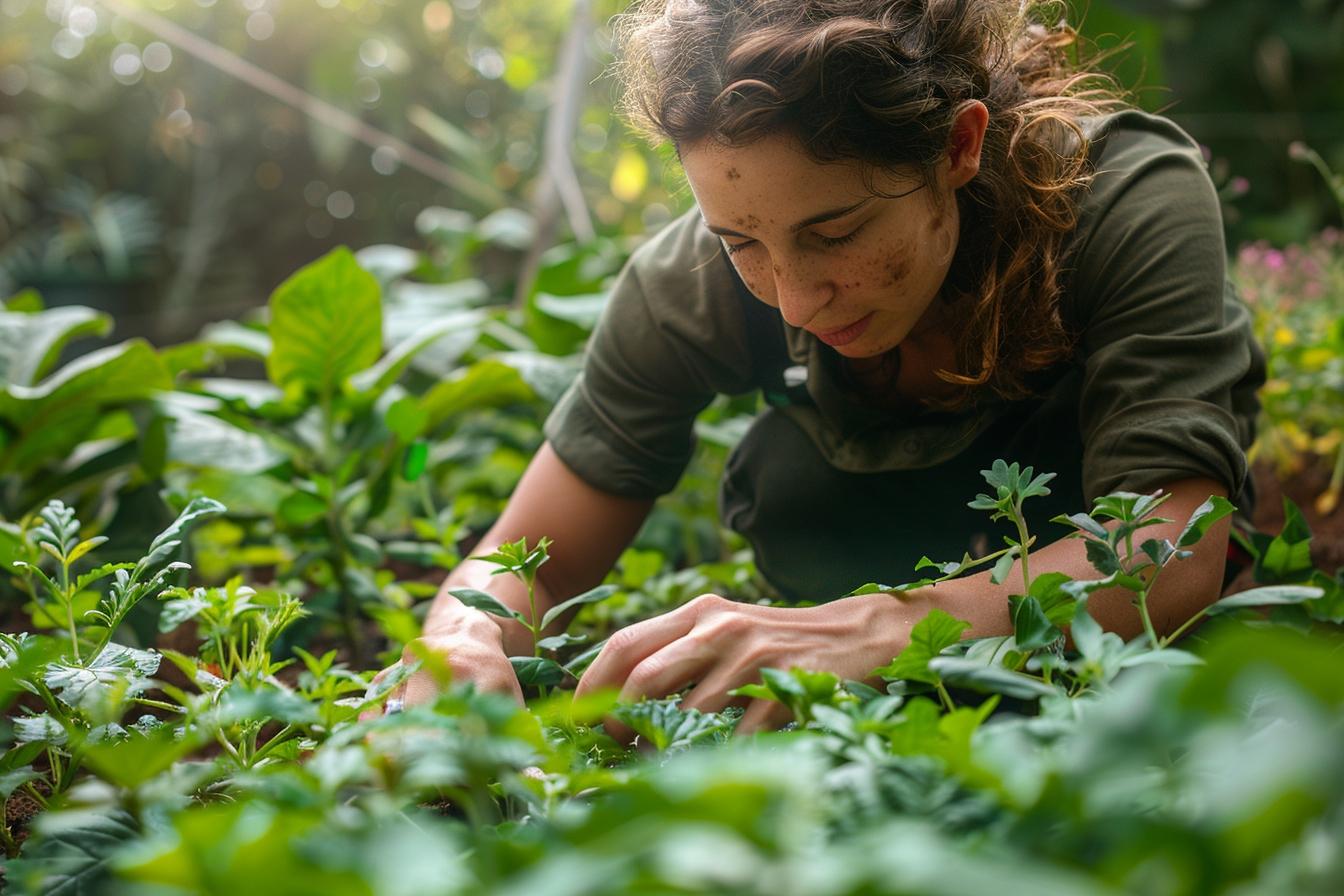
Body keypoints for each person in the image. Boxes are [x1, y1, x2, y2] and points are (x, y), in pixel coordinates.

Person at [371, 0, 1265, 733]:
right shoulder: (688, 284)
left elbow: (1172, 548)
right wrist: (461, 637)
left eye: (834, 233)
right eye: (740, 242)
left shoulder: (1119, 201)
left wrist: (883, 628)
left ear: (958, 147)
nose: (791, 298)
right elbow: (533, 557)